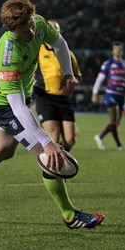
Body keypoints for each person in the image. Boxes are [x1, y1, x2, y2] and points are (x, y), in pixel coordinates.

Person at [0, 0, 104, 229]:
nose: (32, 31)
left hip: (23, 96)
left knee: (3, 150)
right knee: (49, 155)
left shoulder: (37, 23)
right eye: (26, 30)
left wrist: (68, 73)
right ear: (13, 30)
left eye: (32, 24)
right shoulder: (7, 53)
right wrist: (46, 141)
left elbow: (60, 43)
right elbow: (18, 107)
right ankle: (70, 215)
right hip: (6, 106)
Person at [34, 19, 81, 152]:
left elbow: (76, 74)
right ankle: (53, 167)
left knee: (70, 140)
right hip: (45, 97)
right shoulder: (37, 50)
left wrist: (74, 81)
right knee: (53, 137)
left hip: (64, 98)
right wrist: (32, 79)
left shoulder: (68, 53)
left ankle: (60, 159)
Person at [91, 41, 125, 151]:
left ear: (122, 51)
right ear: (112, 51)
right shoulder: (107, 64)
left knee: (116, 123)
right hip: (111, 94)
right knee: (113, 121)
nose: (118, 51)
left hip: (121, 95)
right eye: (116, 49)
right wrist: (94, 93)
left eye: (120, 49)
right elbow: (99, 79)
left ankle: (101, 137)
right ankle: (116, 144)